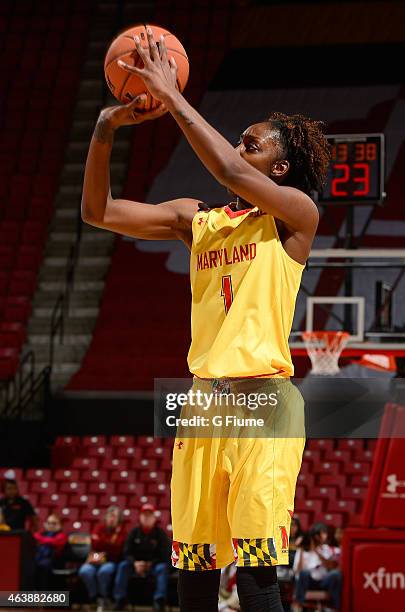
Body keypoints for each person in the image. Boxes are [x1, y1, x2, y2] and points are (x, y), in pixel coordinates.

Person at [81, 29, 329, 612]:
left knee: (256, 574)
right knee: (194, 569)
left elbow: (232, 174)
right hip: (204, 402)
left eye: (253, 143)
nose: (242, 149)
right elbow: (97, 211)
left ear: (283, 165)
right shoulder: (198, 220)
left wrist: (172, 95)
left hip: (264, 401)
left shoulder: (296, 216)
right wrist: (103, 131)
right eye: (241, 141)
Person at [117, 503, 171, 612]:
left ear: (154, 518)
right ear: (140, 517)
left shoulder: (160, 534)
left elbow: (165, 555)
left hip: (154, 564)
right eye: (144, 515)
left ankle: (159, 601)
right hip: (135, 564)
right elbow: (126, 552)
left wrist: (150, 564)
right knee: (123, 566)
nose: (146, 518)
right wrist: (135, 563)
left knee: (163, 568)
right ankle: (120, 599)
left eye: (149, 515)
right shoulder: (133, 532)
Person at [78, 506, 127, 611]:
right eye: (110, 516)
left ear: (119, 519)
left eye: (114, 516)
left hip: (111, 561)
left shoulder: (122, 531)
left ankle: (104, 597)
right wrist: (109, 544)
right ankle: (94, 597)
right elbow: (94, 543)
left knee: (104, 572)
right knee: (84, 571)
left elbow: (117, 549)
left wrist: (102, 543)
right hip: (94, 560)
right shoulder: (99, 528)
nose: (111, 519)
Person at [292, 523, 342, 611]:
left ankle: (335, 608)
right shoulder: (302, 551)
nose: (325, 535)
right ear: (316, 536)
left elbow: (330, 567)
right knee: (304, 573)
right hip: (309, 582)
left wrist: (317, 551)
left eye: (325, 533)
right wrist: (301, 551)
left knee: (335, 574)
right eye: (323, 533)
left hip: (323, 581)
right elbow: (298, 572)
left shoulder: (326, 549)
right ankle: (298, 605)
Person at [34, 513, 68, 589]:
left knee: (42, 566)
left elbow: (55, 542)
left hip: (55, 561)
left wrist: (40, 539)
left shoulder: (62, 535)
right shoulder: (42, 534)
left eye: (54, 523)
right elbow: (35, 536)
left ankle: (43, 595)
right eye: (48, 523)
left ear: (60, 525)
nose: (51, 525)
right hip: (40, 559)